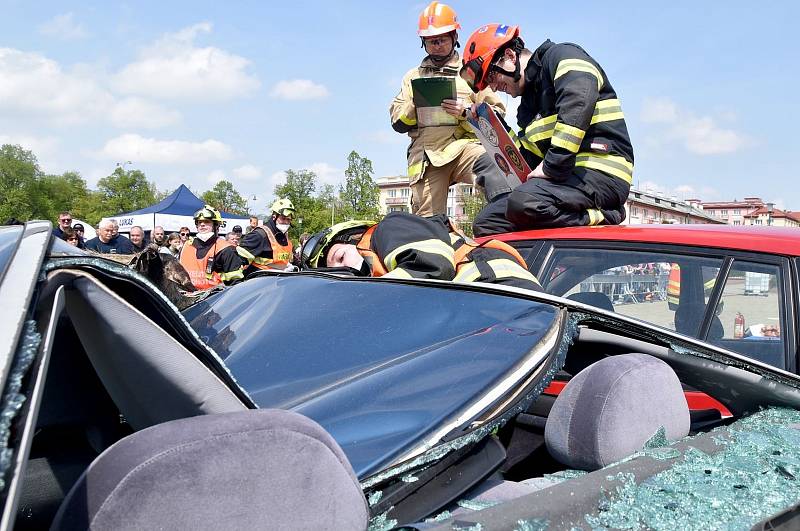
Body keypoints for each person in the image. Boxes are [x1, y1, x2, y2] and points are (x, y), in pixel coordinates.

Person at [460, 24, 634, 236]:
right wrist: (493, 125)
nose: (494, 88)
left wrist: (552, 166)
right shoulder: (527, 107)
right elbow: (527, 163)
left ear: (509, 56)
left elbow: (579, 99)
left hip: (602, 172)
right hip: (564, 182)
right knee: (487, 223)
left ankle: (603, 216)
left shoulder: (561, 55)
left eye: (491, 77)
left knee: (524, 201)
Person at [390, 2, 513, 217]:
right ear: (423, 43)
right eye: (431, 41)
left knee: (494, 166)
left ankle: (503, 223)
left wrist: (466, 111)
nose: (436, 45)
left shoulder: (470, 72)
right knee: (428, 221)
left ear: (455, 38)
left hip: (463, 147)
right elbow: (397, 123)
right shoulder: (412, 78)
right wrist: (415, 105)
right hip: (428, 155)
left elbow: (498, 116)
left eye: (442, 39)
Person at [308, 212, 541, 291]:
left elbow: (431, 268)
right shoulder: (389, 270)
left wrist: (363, 299)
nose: (343, 269)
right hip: (495, 306)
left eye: (340, 257)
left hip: (501, 293)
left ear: (357, 237)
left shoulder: (390, 226)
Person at [178, 206, 244, 289]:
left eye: (207, 221)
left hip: (214, 298)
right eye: (199, 222)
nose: (202, 224)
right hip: (186, 297)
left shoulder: (225, 249)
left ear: (216, 225)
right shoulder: (186, 246)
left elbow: (235, 284)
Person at [237, 199, 295, 274]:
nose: (286, 222)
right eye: (283, 218)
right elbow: (237, 261)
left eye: (288, 220)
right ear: (274, 216)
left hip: (278, 280)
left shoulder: (284, 237)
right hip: (259, 281)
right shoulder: (259, 235)